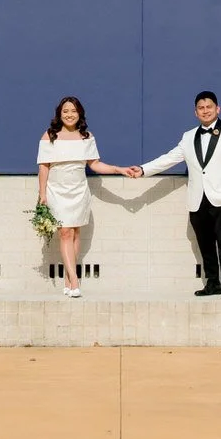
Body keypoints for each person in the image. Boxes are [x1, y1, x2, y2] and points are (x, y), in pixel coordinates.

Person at [126, 91, 221, 299]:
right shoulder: (189, 136)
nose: (205, 110)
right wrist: (143, 169)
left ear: (217, 109)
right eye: (201, 107)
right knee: (205, 243)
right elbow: (170, 158)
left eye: (209, 106)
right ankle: (212, 283)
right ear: (195, 112)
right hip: (197, 198)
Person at [36, 96, 129, 298]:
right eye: (65, 111)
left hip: (79, 189)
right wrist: (42, 194)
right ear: (59, 115)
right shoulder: (50, 136)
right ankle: (75, 278)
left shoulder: (87, 136)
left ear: (80, 114)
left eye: (73, 111)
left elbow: (95, 164)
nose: (69, 115)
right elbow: (44, 167)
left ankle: (69, 279)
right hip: (57, 190)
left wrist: (118, 169)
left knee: (75, 232)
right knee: (65, 232)